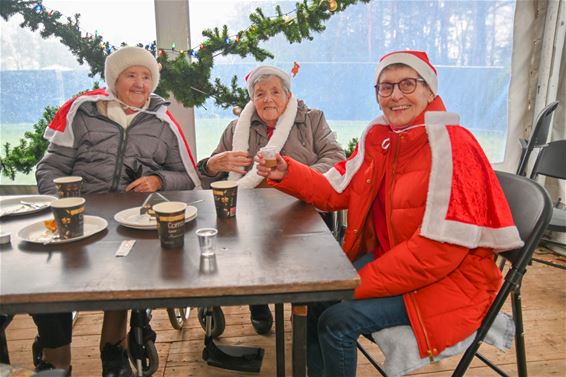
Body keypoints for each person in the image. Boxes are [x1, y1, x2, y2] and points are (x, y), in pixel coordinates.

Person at [256, 50, 523, 377]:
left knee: (336, 320)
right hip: (396, 261)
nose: (395, 95)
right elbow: (338, 189)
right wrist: (288, 171)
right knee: (315, 300)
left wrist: (353, 283)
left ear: (430, 91)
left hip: (450, 280)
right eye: (386, 87)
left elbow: (437, 254)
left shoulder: (452, 147)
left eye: (408, 84)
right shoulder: (383, 137)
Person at [34, 46, 201, 377]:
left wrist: (158, 179)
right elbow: (49, 168)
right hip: (80, 214)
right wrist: (64, 204)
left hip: (132, 218)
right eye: (131, 75)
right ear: (114, 79)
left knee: (128, 270)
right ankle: (57, 359)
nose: (140, 83)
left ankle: (114, 350)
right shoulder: (83, 114)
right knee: (50, 276)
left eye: (147, 76)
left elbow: (187, 177)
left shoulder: (162, 123)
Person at [197, 65, 345, 334]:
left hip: (302, 207)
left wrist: (297, 176)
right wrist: (212, 164)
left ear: (288, 96)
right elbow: (211, 180)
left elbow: (335, 159)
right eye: (260, 93)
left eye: (275, 92)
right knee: (241, 237)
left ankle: (302, 309)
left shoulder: (312, 120)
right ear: (252, 99)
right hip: (252, 213)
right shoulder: (236, 128)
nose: (267, 99)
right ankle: (258, 300)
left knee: (305, 254)